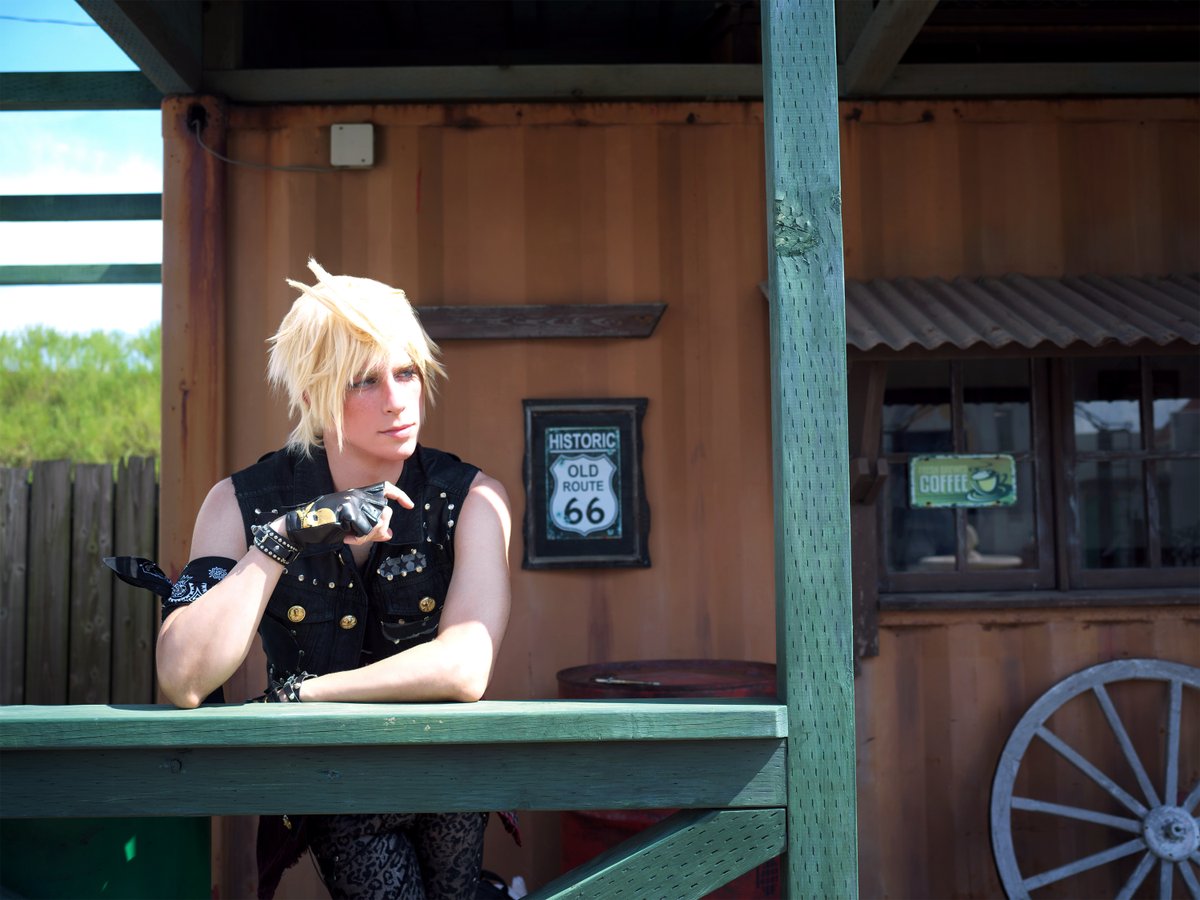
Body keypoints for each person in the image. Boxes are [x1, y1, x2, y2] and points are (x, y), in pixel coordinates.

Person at [154, 258, 512, 899]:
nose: (397, 399)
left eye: (407, 372)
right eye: (364, 381)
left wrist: (302, 694)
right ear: (313, 397)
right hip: (330, 785)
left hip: (448, 776)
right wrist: (284, 538)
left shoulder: (473, 498)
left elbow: (465, 667)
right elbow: (184, 677)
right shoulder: (242, 503)